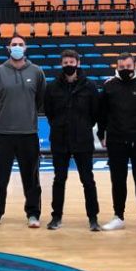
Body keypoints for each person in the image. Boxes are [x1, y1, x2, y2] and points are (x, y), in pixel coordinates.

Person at [0, 34, 45, 228]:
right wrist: (2, 116)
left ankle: (33, 214)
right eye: (14, 44)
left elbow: (40, 100)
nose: (17, 47)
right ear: (8, 48)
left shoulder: (37, 72)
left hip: (29, 134)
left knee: (31, 178)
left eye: (21, 44)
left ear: (25, 48)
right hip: (2, 134)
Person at [97, 53, 136, 234]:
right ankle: (118, 217)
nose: (125, 69)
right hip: (116, 140)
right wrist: (101, 133)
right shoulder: (109, 86)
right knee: (118, 180)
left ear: (135, 65)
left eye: (128, 66)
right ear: (117, 67)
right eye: (121, 67)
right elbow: (102, 113)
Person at [44, 50, 101, 231]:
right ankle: (56, 217)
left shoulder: (89, 86)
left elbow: (95, 113)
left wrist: (82, 126)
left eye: (71, 61)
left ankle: (93, 218)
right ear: (61, 64)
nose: (69, 65)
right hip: (60, 140)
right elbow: (49, 112)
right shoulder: (52, 87)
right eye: (65, 62)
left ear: (78, 62)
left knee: (88, 180)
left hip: (82, 140)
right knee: (59, 179)